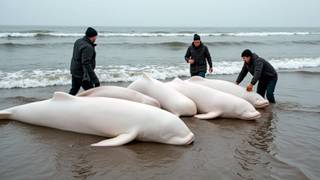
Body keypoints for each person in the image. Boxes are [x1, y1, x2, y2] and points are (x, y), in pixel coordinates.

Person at [69, 27, 100, 95]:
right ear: (93, 36)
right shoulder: (88, 47)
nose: (96, 38)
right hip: (82, 75)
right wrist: (95, 80)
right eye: (96, 36)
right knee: (92, 93)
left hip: (74, 70)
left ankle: (64, 103)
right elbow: (86, 63)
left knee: (74, 90)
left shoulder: (78, 41)